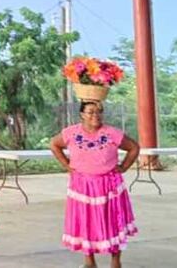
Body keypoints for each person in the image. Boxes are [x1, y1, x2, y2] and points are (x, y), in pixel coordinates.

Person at [49, 100, 140, 268]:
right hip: (82, 186)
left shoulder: (112, 133)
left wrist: (124, 167)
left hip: (109, 185)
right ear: (82, 114)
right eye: (90, 112)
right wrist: (67, 165)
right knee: (86, 222)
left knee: (113, 222)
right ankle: (89, 261)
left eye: (99, 112)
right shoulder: (71, 133)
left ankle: (115, 261)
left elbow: (134, 147)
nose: (95, 115)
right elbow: (54, 144)